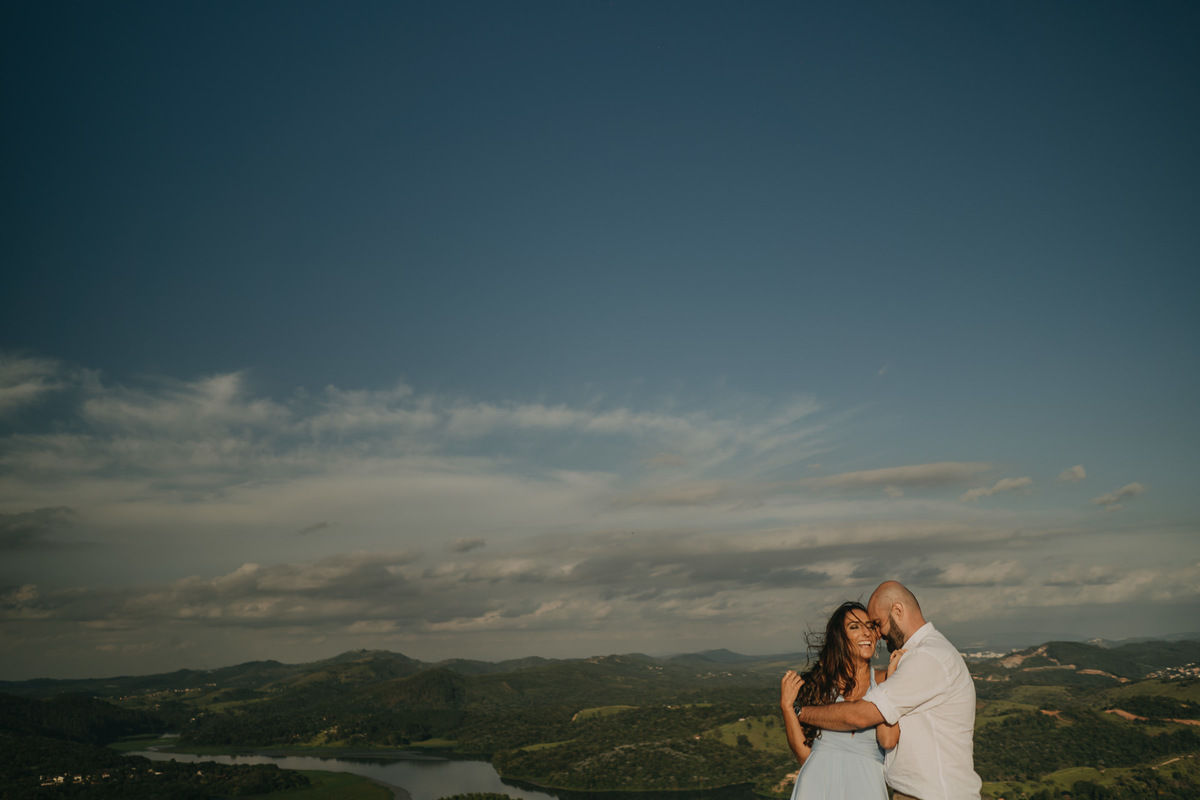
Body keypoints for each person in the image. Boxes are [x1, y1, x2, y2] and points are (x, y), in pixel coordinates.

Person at [791, 581, 983, 800]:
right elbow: (886, 737)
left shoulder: (927, 656)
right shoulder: (919, 657)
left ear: (898, 611)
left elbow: (860, 716)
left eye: (876, 624)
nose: (878, 634)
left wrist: (801, 712)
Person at [779, 600, 903, 800]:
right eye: (855, 627)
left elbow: (888, 739)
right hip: (815, 788)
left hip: (866, 789)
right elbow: (804, 756)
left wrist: (891, 679)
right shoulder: (820, 687)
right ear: (839, 638)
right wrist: (786, 707)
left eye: (870, 626)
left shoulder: (885, 680)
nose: (866, 632)